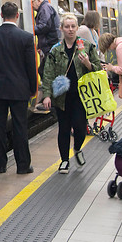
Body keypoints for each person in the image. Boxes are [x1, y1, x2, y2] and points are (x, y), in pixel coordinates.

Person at [0, 1, 37, 175]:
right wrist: (32, 89)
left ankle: (1, 165)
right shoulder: (26, 38)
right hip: (19, 90)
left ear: (1, 15)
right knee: (20, 127)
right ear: (17, 15)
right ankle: (23, 166)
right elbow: (30, 67)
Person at [41, 13, 102, 174]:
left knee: (80, 128)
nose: (70, 29)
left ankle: (77, 148)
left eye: (73, 26)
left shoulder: (87, 46)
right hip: (62, 98)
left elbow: (99, 69)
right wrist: (47, 95)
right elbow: (48, 73)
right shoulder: (56, 50)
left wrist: (88, 64)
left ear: (77, 28)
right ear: (61, 29)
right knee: (64, 129)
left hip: (82, 96)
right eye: (66, 26)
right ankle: (64, 161)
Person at [31, 0, 60, 79]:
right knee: (45, 70)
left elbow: (44, 26)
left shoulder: (45, 8)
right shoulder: (45, 8)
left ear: (38, 0)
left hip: (51, 45)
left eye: (32, 2)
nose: (31, 5)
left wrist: (31, 31)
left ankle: (51, 90)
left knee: (44, 71)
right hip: (49, 45)